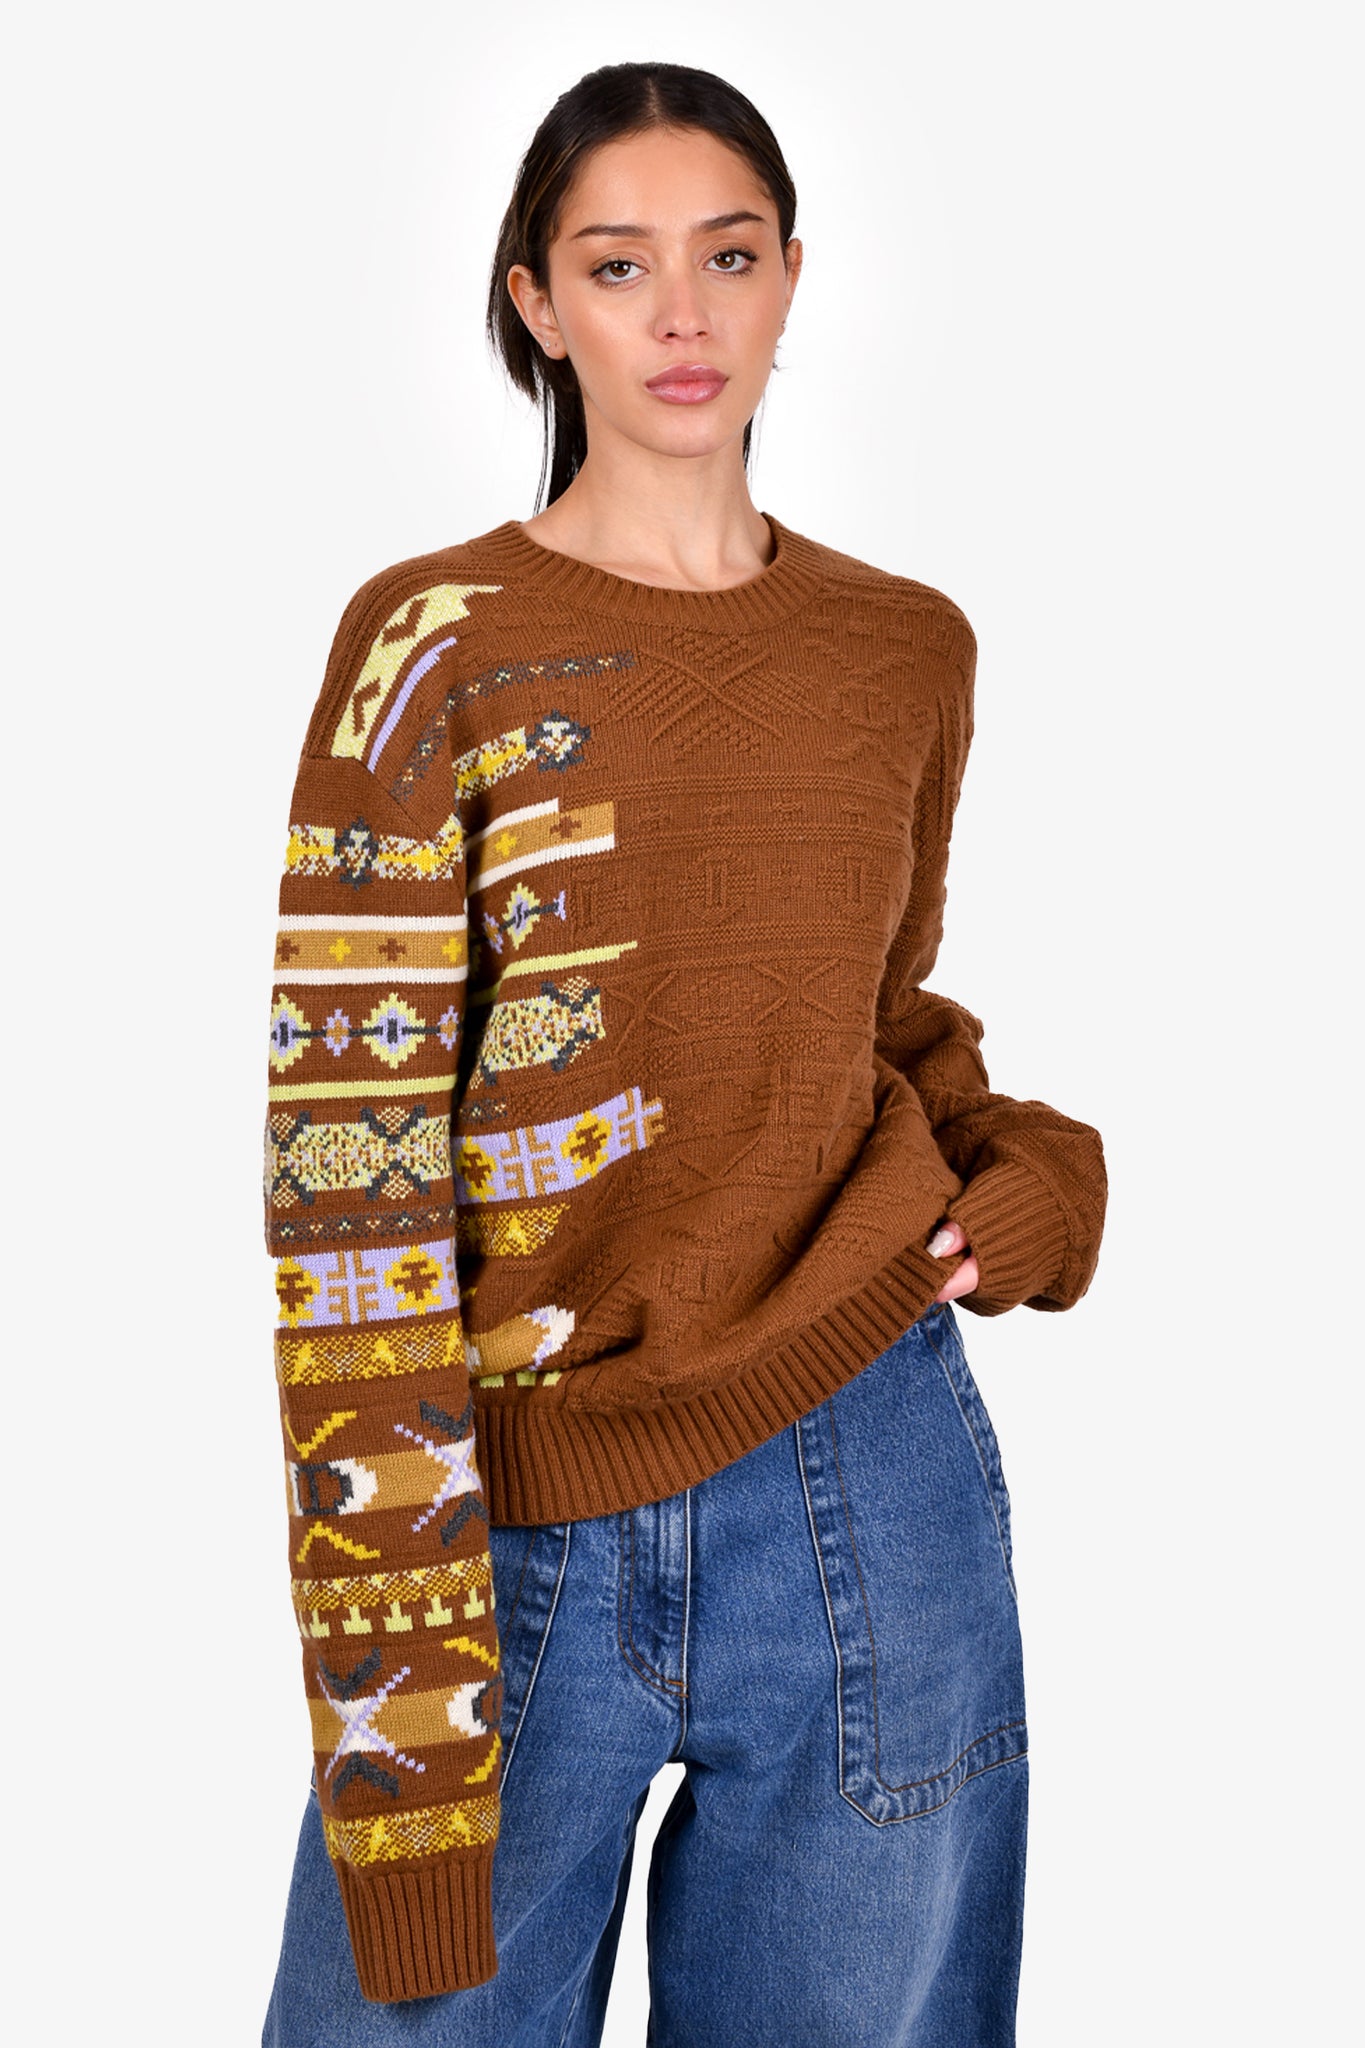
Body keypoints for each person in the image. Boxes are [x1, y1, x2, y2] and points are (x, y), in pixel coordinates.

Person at [260, 59, 1107, 2048]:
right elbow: (345, 1184)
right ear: (537, 303)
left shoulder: (902, 647)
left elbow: (873, 1019)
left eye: (725, 257)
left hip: (868, 1475)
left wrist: (1032, 1175)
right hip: (512, 1517)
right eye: (617, 264)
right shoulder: (430, 644)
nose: (680, 314)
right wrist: (399, 1729)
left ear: (791, 277)